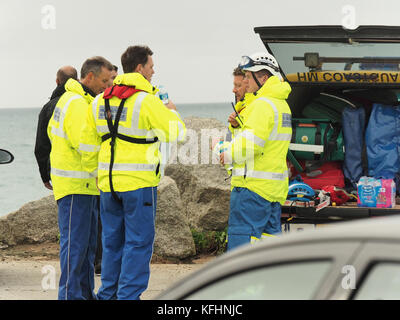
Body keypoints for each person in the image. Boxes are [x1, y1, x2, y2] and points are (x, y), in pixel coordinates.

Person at [79, 45, 186, 300]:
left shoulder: (98, 101)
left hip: (108, 184)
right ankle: (128, 296)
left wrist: (97, 173)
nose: (153, 71)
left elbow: (87, 144)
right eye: (151, 66)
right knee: (138, 244)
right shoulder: (146, 100)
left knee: (112, 243)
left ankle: (108, 295)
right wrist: (171, 110)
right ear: (140, 68)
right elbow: (177, 133)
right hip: (138, 184)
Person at [47, 56, 113, 300]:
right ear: (90, 77)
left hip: (82, 186)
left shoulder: (80, 100)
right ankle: (71, 296)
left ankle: (84, 294)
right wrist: (100, 176)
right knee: (76, 247)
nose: (107, 86)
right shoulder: (76, 103)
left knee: (85, 248)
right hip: (78, 185)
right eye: (104, 80)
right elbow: (84, 146)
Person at [220, 52, 292, 251]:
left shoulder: (262, 105)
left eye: (248, 76)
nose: (245, 81)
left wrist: (226, 153)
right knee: (268, 254)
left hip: (251, 191)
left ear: (263, 77)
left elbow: (250, 145)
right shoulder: (281, 104)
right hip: (273, 193)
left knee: (241, 254)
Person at [34, 66, 78, 190]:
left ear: (57, 81)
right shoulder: (84, 101)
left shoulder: (49, 107)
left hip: (59, 172)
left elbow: (41, 145)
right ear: (77, 80)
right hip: (86, 174)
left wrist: (45, 175)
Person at [94, 63, 119, 276]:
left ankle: (104, 265)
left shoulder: (109, 103)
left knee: (108, 228)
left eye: (113, 79)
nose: (111, 84)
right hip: (102, 177)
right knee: (105, 228)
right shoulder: (98, 103)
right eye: (107, 79)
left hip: (110, 177)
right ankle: (100, 263)